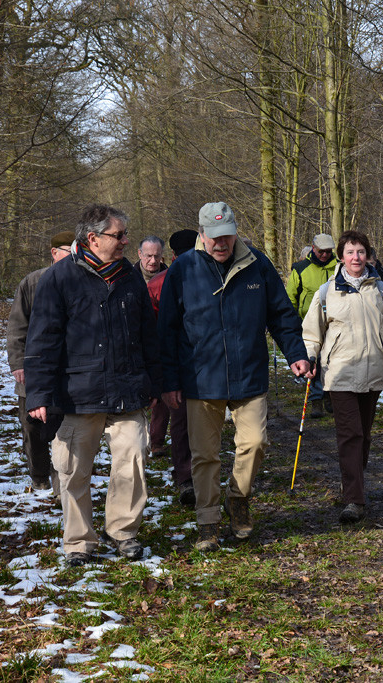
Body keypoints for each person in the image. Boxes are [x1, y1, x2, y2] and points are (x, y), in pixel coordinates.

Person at [157, 202, 310, 551]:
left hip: (249, 374)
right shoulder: (183, 269)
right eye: (213, 237)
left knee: (255, 443)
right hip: (200, 378)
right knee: (205, 455)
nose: (220, 244)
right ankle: (208, 521)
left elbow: (282, 314)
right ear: (200, 235)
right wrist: (170, 381)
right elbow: (165, 330)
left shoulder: (257, 263)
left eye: (226, 236)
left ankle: (238, 498)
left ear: (236, 232)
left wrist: (296, 354)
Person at [25, 205, 160, 568]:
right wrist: (39, 393)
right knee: (72, 470)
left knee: (132, 461)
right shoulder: (60, 279)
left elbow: (148, 334)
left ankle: (123, 532)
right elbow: (41, 340)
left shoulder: (130, 278)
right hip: (76, 394)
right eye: (119, 235)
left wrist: (159, 381)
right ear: (93, 238)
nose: (126, 241)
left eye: (125, 235)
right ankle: (79, 542)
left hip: (127, 391)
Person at [302, 230, 383, 524]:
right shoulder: (327, 292)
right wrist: (309, 358)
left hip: (374, 372)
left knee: (363, 436)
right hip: (339, 374)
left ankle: (352, 483)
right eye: (350, 252)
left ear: (368, 255)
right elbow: (312, 332)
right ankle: (354, 499)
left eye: (361, 252)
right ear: (341, 257)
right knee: (350, 435)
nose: (356, 257)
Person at [6, 230, 74, 492]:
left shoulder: (79, 281)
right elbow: (17, 326)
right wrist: (18, 363)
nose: (73, 257)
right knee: (32, 427)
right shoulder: (32, 283)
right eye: (68, 251)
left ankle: (62, 482)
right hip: (33, 369)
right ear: (54, 253)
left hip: (66, 370)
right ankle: (38, 474)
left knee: (64, 428)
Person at [146, 229, 199, 508]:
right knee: (180, 422)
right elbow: (151, 326)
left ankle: (191, 475)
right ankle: (186, 477)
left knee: (188, 423)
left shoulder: (159, 282)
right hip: (176, 362)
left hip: (197, 362)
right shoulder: (159, 284)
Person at [287, 233, 338, 416]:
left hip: (334, 323)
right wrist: (291, 322)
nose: (324, 255)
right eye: (321, 251)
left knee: (332, 360)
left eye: (328, 252)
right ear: (313, 248)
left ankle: (329, 395)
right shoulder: (300, 269)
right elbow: (291, 297)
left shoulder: (339, 267)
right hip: (307, 323)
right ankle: (316, 399)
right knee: (313, 360)